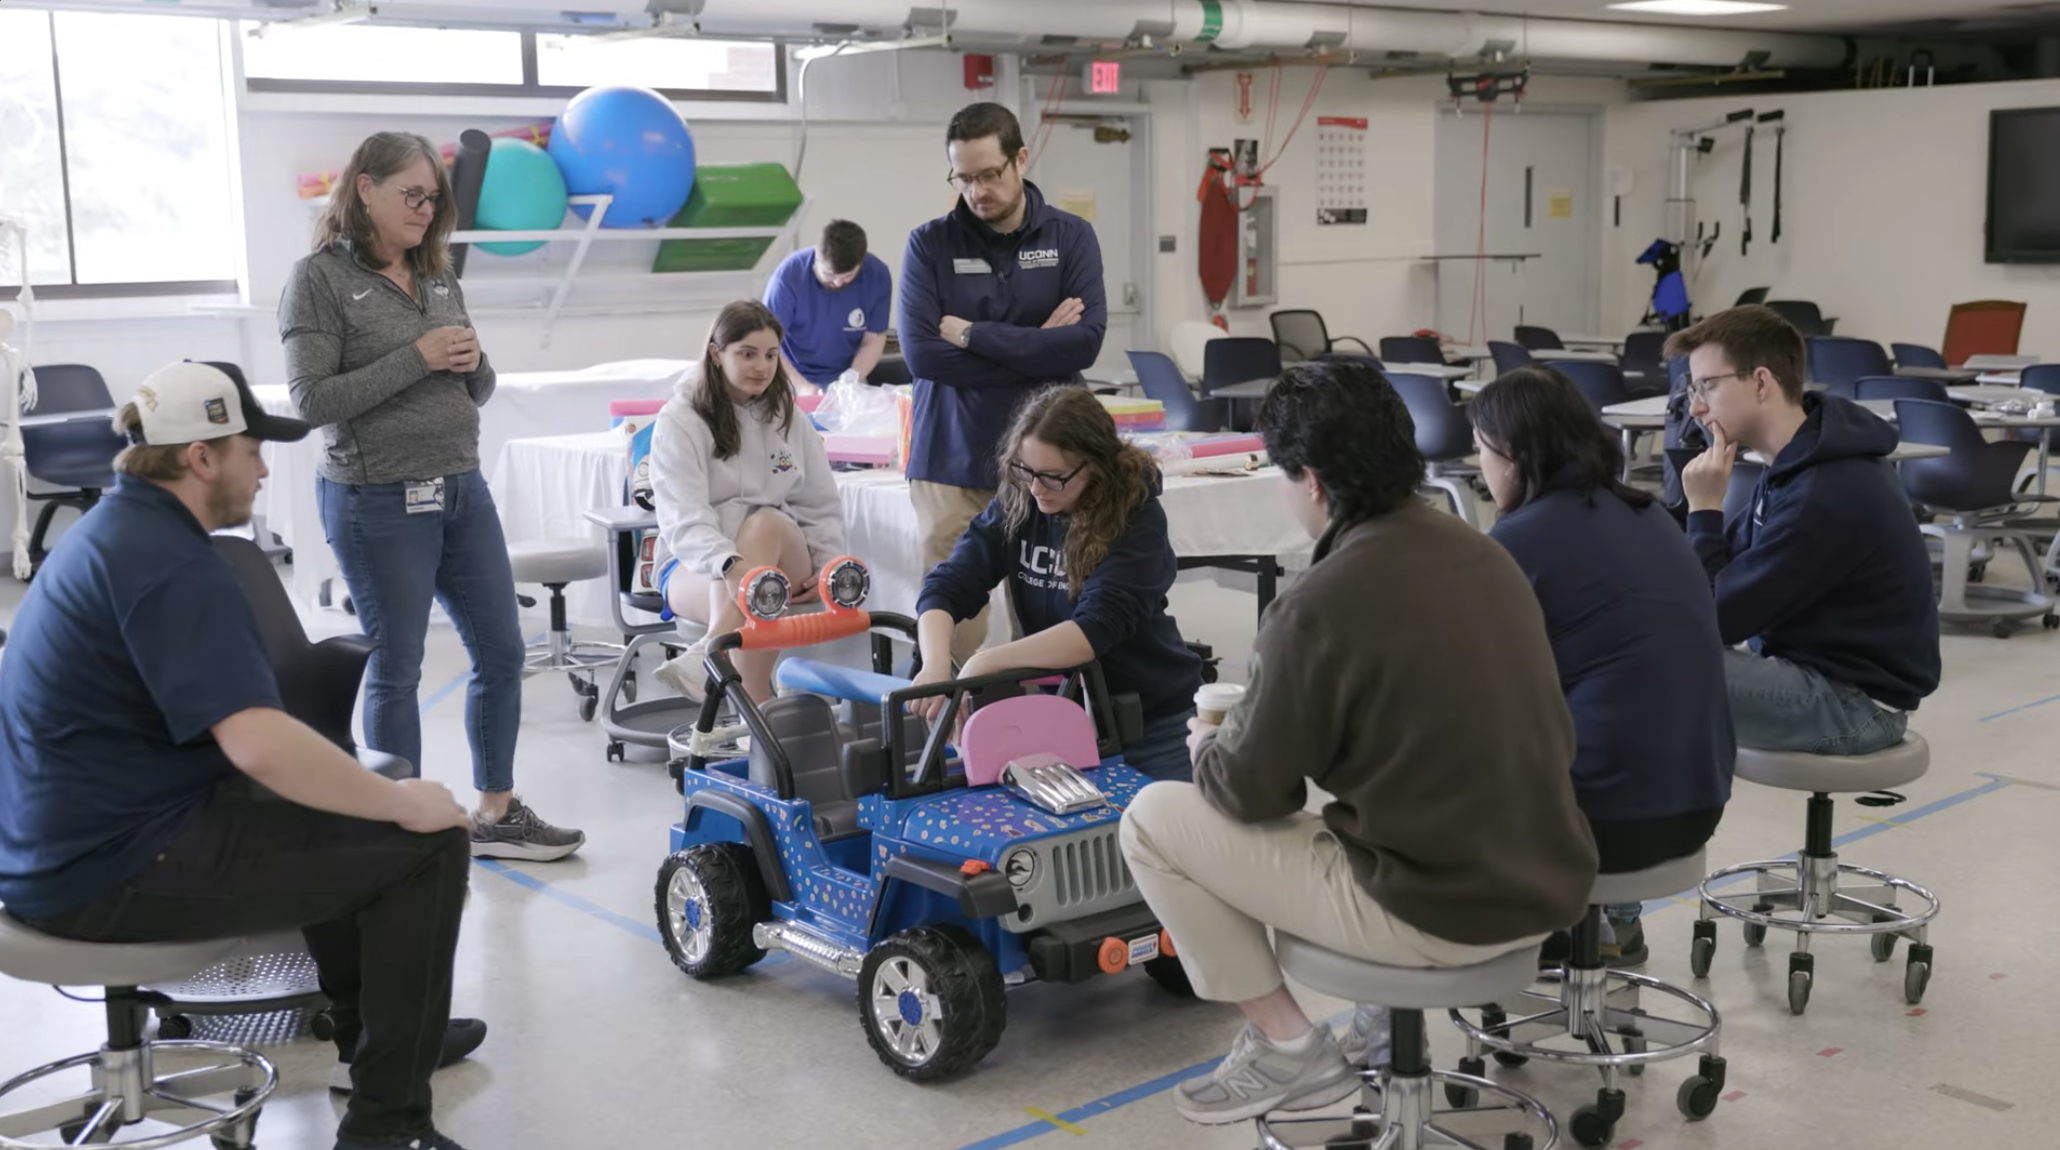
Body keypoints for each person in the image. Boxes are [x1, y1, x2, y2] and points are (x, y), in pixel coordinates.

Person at [0, 362, 482, 1150]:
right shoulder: (175, 566)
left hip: (63, 843)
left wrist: (353, 788)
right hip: (105, 869)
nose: (262, 470)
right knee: (426, 846)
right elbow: (256, 744)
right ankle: (388, 1125)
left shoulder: (118, 531)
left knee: (331, 808)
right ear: (201, 457)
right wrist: (403, 801)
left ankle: (372, 1038)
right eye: (252, 450)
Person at [1118, 359, 1598, 1125]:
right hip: (1547, 886)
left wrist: (1211, 742)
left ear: (1309, 480)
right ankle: (1372, 1025)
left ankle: (1287, 1048)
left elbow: (1251, 793)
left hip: (1436, 911)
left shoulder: (1317, 603)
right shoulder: (1487, 553)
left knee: (1152, 817)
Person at [279, 130, 581, 863]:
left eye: (433, 197)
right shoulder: (316, 279)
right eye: (410, 194)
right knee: (398, 667)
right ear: (365, 190)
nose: (424, 209)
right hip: (376, 498)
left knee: (503, 652)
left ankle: (497, 812)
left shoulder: (438, 273)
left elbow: (476, 384)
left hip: (460, 487)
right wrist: (415, 357)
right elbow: (311, 400)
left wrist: (476, 365)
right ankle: (398, 829)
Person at [1471, 367, 1735, 968]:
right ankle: (1605, 927)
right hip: (1697, 805)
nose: (1479, 465)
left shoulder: (1518, 541)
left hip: (1605, 825)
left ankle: (1489, 945)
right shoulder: (1648, 516)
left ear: (1510, 455)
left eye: (1481, 449)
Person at [1668, 305, 1941, 754]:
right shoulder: (1796, 464)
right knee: (1631, 640)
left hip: (1852, 705)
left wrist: (1704, 509)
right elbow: (1720, 575)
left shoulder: (1825, 488)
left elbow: (1715, 618)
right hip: (1809, 676)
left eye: (1707, 387)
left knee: (1646, 661)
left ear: (1760, 382)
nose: (1695, 407)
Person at [900, 101, 1107, 666]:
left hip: (1051, 465)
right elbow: (924, 358)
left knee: (1052, 611)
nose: (977, 191)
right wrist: (1040, 346)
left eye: (989, 174)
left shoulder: (1071, 237)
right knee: (952, 621)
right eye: (963, 178)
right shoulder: (929, 246)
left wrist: (974, 335)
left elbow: (1085, 343)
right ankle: (946, 735)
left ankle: (1054, 729)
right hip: (952, 460)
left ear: (1021, 158)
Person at [912, 387, 1203, 781]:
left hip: (1155, 722)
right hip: (1067, 718)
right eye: (1025, 470)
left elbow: (1092, 631)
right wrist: (934, 666)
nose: (1036, 488)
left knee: (1157, 837)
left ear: (1096, 465)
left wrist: (983, 663)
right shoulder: (1020, 500)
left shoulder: (1138, 519)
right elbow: (947, 585)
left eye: (1054, 477)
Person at [649, 300, 846, 704]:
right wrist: (730, 564)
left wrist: (827, 562)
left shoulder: (788, 416)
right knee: (755, 594)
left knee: (766, 524)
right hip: (695, 565)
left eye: (771, 355)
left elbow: (818, 503)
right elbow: (683, 517)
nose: (762, 366)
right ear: (716, 354)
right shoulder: (679, 419)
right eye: (747, 353)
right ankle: (756, 718)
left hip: (780, 554)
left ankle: (710, 649)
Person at [762, 219, 893, 392]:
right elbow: (767, 343)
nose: (838, 282)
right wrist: (801, 387)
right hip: (790, 374)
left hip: (847, 373)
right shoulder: (787, 277)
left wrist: (852, 379)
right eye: (829, 274)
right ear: (817, 255)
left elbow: (873, 340)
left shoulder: (877, 276)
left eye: (848, 276)